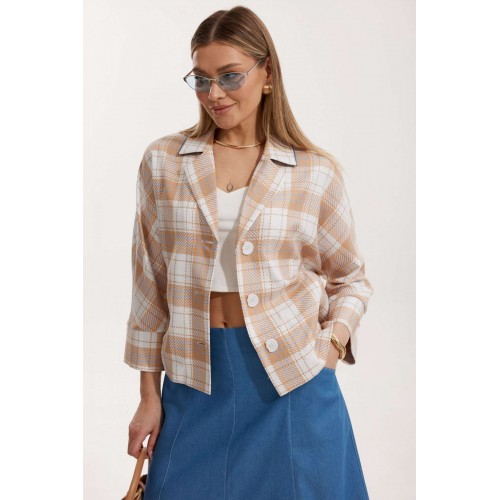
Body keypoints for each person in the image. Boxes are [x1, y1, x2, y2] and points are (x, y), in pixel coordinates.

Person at [124, 6, 374, 499]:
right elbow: (148, 288)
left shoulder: (313, 172)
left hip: (292, 383)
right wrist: (149, 396)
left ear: (267, 74)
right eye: (201, 79)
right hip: (194, 379)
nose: (214, 94)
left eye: (230, 76)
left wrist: (330, 347)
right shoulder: (164, 162)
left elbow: (351, 279)